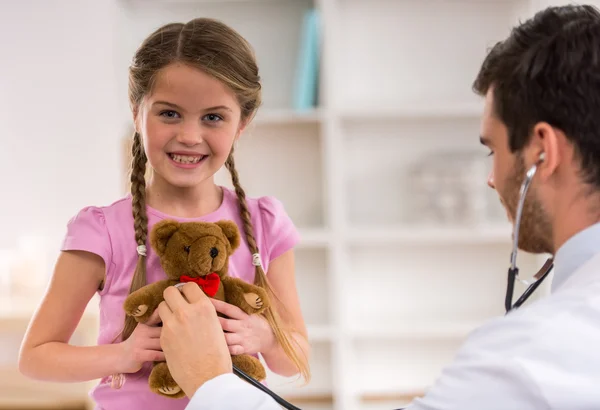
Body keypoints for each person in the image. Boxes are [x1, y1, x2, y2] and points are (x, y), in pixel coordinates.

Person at [156, 4, 600, 409]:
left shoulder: (539, 351)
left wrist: (211, 381)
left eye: (494, 150)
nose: (490, 178)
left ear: (542, 151)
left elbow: (294, 354)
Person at [17, 18, 311, 410]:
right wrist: (125, 353)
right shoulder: (101, 231)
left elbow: (297, 359)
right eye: (169, 113)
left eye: (213, 117)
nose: (189, 136)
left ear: (243, 123)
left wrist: (265, 338)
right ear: (136, 110)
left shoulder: (264, 223)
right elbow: (36, 357)